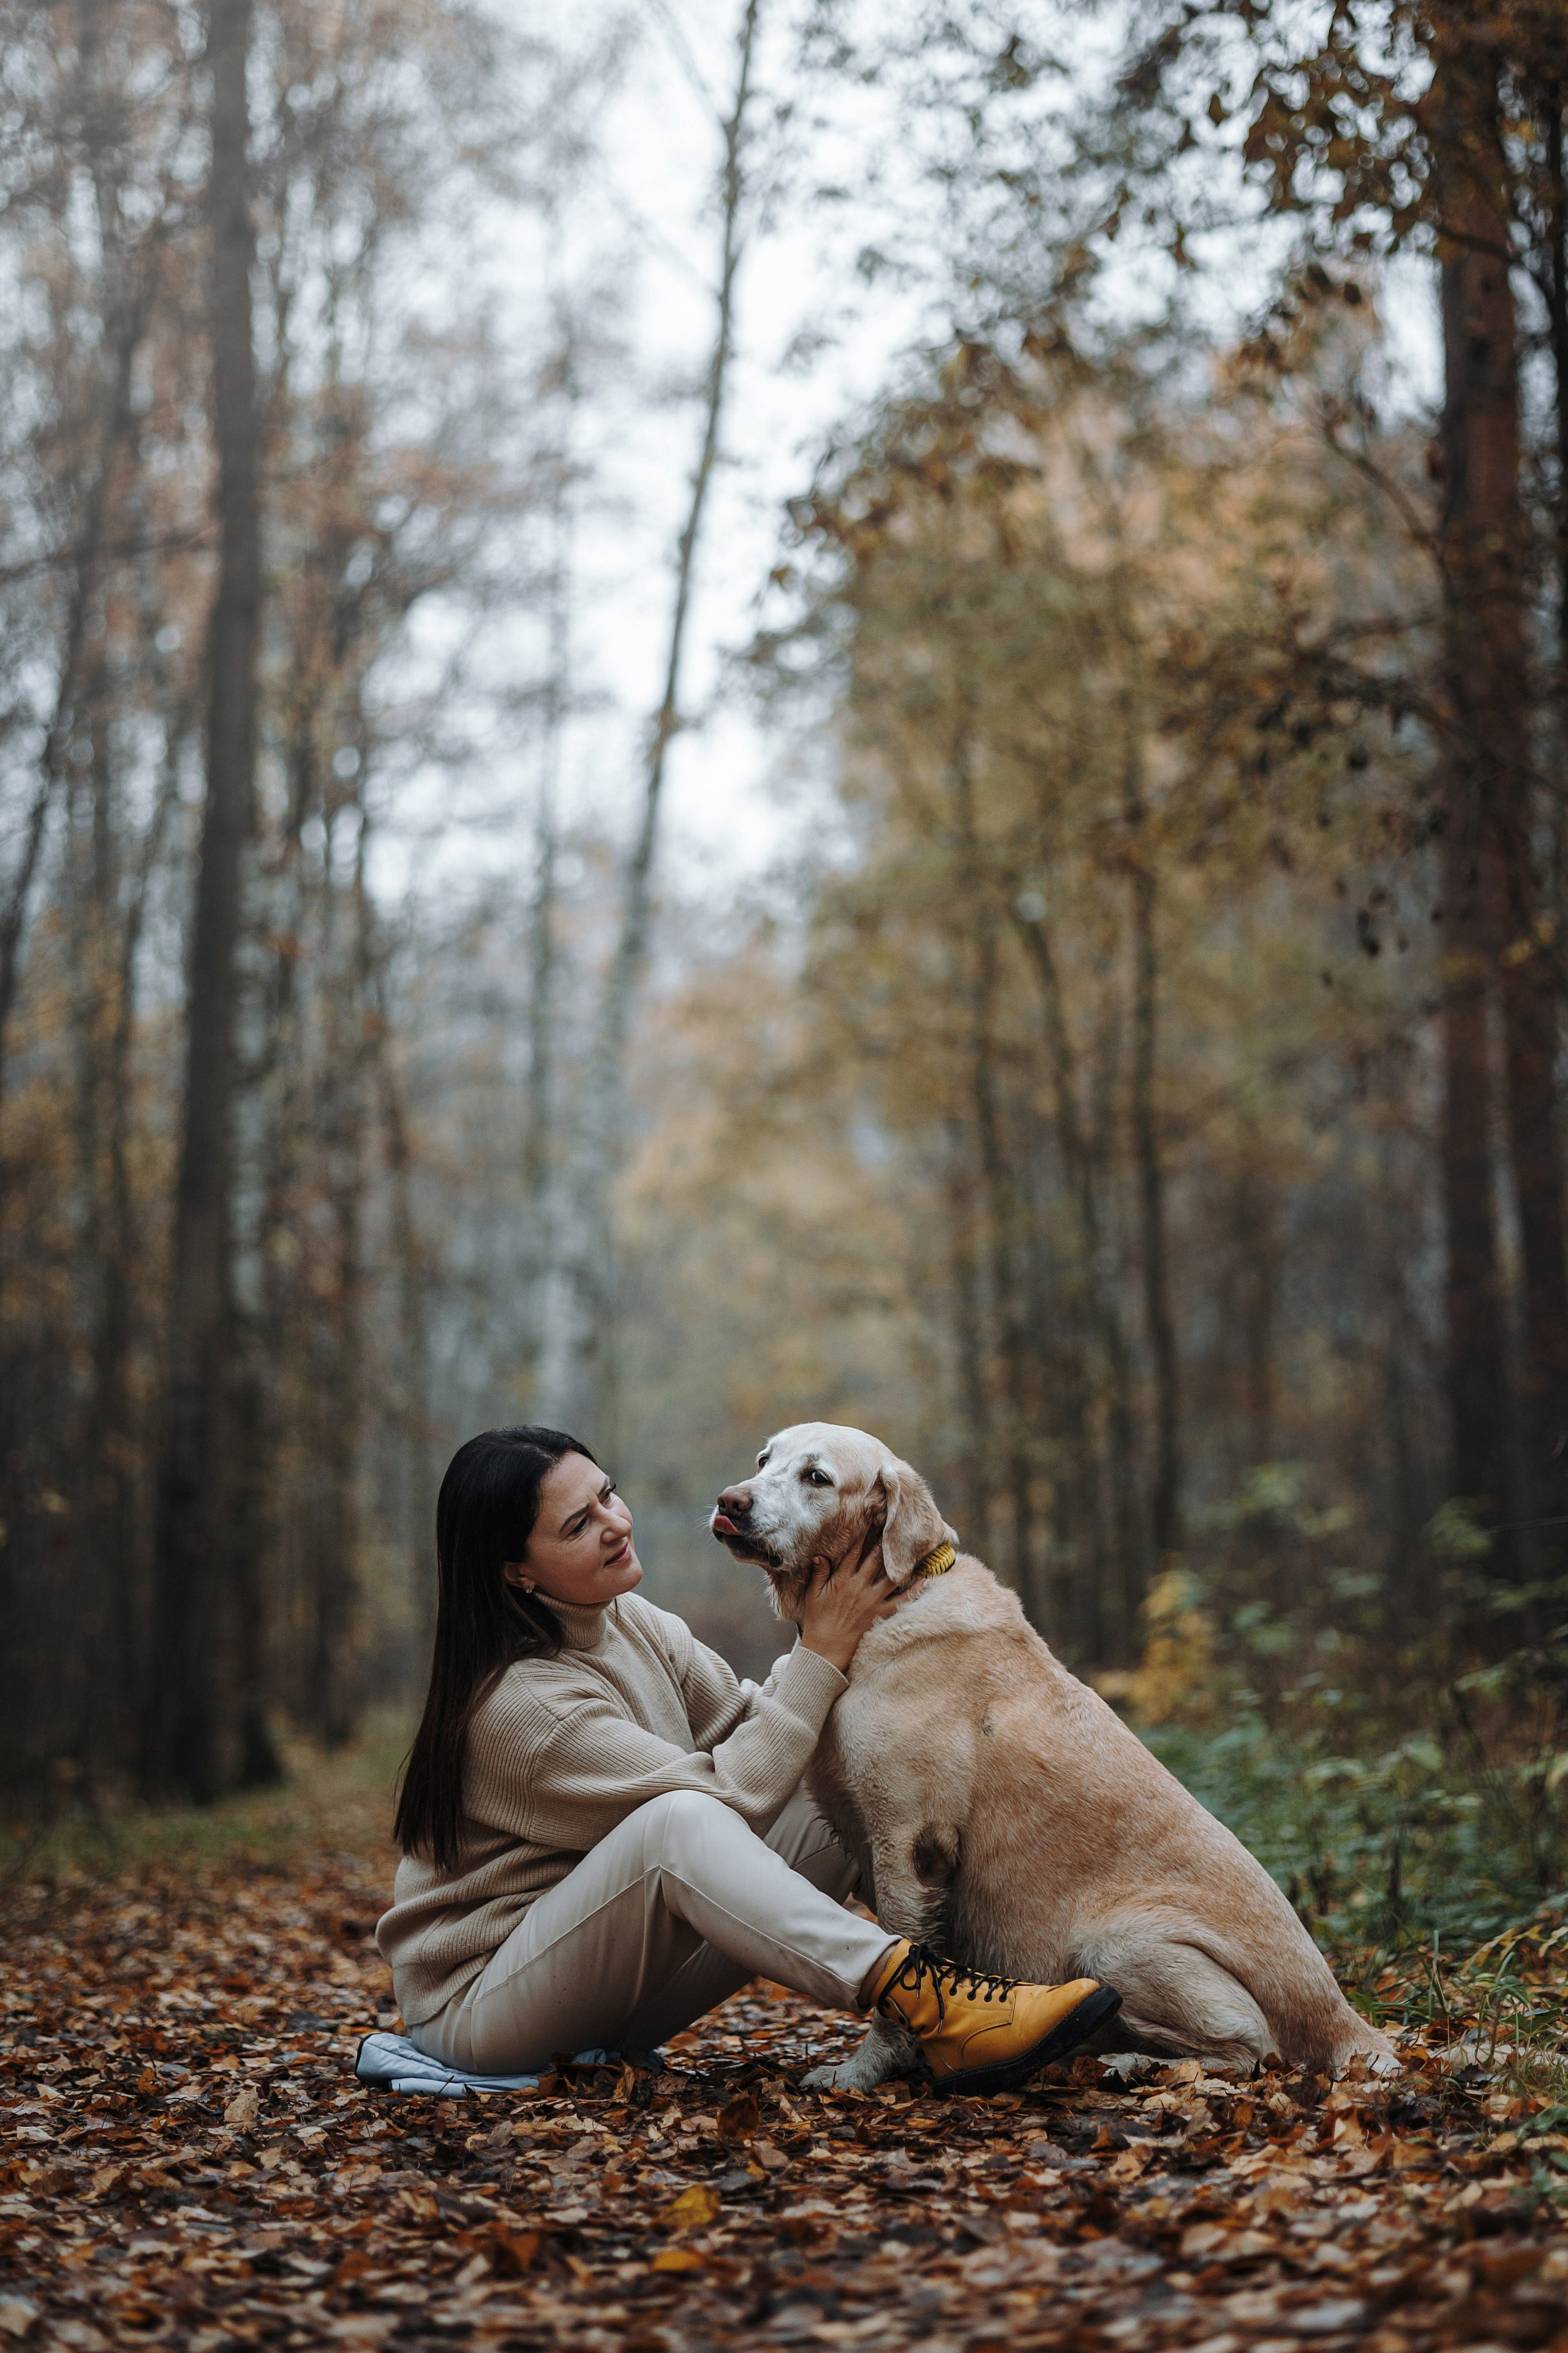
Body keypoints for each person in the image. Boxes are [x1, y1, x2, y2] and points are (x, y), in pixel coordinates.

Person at [377, 1426, 1117, 2096]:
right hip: (488, 2011)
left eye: (608, 1494)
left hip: (608, 1988)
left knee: (835, 1785)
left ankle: (1005, 1990)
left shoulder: (630, 1621)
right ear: (517, 1571)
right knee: (678, 1822)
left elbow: (761, 1737)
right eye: (579, 1524)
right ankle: (938, 2006)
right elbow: (724, 1799)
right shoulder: (521, 1706)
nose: (616, 1523)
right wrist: (819, 1649)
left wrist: (862, 1641)